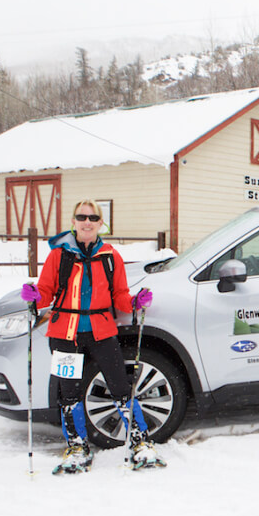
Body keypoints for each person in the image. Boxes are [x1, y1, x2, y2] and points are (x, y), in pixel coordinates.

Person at [21, 199, 159, 473]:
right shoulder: (59, 255)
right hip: (65, 334)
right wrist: (35, 296)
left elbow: (119, 294)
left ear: (100, 224)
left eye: (92, 217)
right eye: (82, 217)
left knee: (120, 385)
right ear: (73, 221)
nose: (87, 222)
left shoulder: (110, 256)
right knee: (69, 393)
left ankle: (140, 442)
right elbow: (46, 290)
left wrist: (134, 303)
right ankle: (77, 446)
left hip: (101, 331)